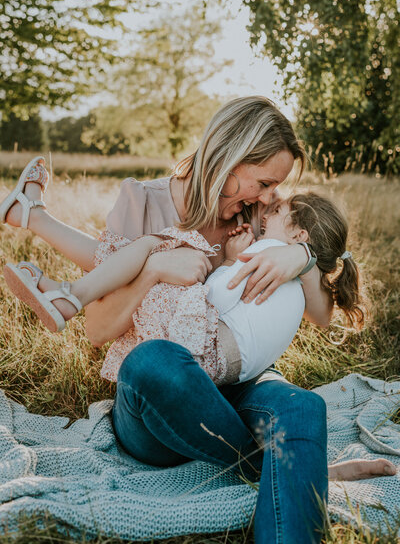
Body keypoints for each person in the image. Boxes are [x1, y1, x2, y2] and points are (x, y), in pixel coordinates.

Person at [1, 97, 396, 543]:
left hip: (237, 380)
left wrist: (301, 258)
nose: (271, 197)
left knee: (305, 406)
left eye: (276, 187)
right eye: (265, 182)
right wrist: (152, 270)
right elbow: (97, 330)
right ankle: (293, 468)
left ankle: (288, 480)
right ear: (231, 158)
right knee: (153, 362)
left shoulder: (259, 212)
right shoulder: (142, 201)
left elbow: (322, 315)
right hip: (163, 396)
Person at [5, 192, 363, 389]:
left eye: (280, 209)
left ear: (300, 234)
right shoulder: (299, 278)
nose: (267, 209)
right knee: (151, 257)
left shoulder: (271, 254)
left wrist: (225, 263)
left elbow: (218, 298)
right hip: (218, 365)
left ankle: (66, 288)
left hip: (204, 352)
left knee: (163, 245)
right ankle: (59, 279)